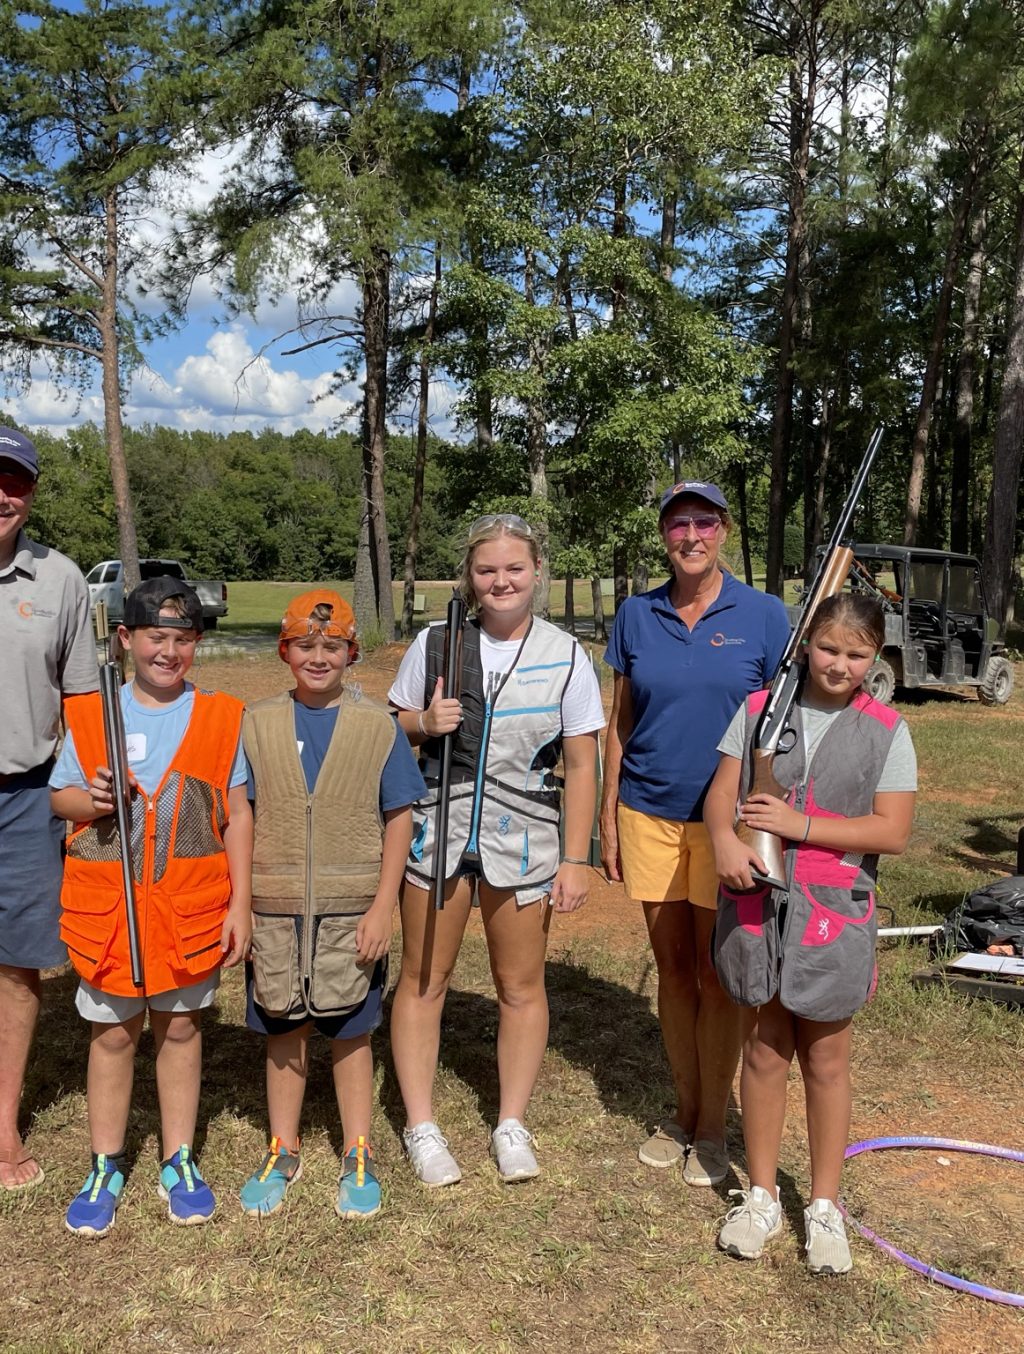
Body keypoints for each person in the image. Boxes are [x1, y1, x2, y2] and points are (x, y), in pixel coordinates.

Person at [388, 514, 604, 1186]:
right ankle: (421, 1127)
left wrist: (576, 856)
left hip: (525, 842)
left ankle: (511, 1121)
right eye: (487, 570)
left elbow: (582, 762)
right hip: (436, 836)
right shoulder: (434, 644)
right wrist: (423, 722)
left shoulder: (568, 655)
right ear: (470, 577)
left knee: (520, 986)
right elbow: (389, 732)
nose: (501, 581)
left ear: (537, 571)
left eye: (514, 568)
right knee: (424, 980)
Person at [705, 594, 916, 1274]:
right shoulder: (760, 709)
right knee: (765, 1054)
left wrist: (801, 828)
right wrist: (722, 842)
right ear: (805, 646)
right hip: (758, 904)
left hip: (833, 914)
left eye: (857, 655)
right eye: (829, 649)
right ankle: (762, 1195)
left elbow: (892, 830)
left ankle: (823, 1206)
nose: (840, 664)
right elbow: (722, 792)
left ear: (874, 658)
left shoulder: (888, 729)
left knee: (826, 1061)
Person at [50, 578, 252, 1237]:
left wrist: (241, 904)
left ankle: (178, 1158)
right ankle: (105, 1164)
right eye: (156, 638)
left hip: (191, 914)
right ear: (126, 639)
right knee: (111, 1034)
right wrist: (93, 800)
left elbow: (238, 813)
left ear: (196, 644)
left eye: (183, 639)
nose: (169, 651)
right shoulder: (90, 712)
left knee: (183, 1029)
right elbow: (60, 799)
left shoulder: (223, 716)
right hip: (108, 918)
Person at [600, 481, 789, 1185]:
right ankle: (682, 1113)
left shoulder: (766, 617)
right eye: (677, 523)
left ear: (724, 531)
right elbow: (620, 724)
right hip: (648, 814)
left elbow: (781, 731)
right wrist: (607, 818)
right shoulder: (636, 614)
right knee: (675, 970)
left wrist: (767, 818)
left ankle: (714, 1126)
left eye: (703, 522)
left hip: (728, 826)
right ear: (663, 535)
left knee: (720, 975)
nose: (690, 535)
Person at [239, 590, 425, 1220]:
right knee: (282, 1028)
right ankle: (282, 1147)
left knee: (351, 1030)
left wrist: (383, 907)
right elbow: (242, 813)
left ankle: (357, 1149)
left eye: (332, 647)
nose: (319, 658)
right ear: (284, 651)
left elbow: (398, 817)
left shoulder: (377, 727)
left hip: (352, 910)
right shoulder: (256, 723)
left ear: (352, 652)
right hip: (276, 906)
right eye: (305, 646)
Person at [0, 426, 98, 1192]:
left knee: (19, 966)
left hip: (26, 796)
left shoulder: (60, 579)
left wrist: (88, 794)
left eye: (16, 481)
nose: (3, 494)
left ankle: (2, 1127)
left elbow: (86, 701)